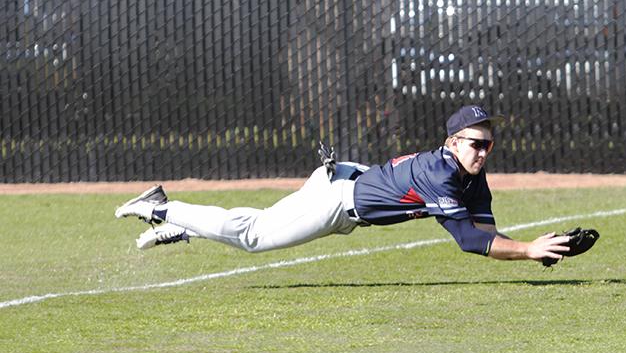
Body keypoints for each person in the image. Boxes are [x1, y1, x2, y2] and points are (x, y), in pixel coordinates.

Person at [115, 105, 571, 263]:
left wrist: (537, 249)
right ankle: (163, 208)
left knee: (256, 225)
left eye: (489, 144)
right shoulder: (442, 172)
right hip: (338, 200)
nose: (484, 151)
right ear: (452, 141)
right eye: (475, 143)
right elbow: (470, 241)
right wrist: (527, 249)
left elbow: (488, 235)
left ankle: (185, 226)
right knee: (253, 236)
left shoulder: (472, 176)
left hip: (346, 180)